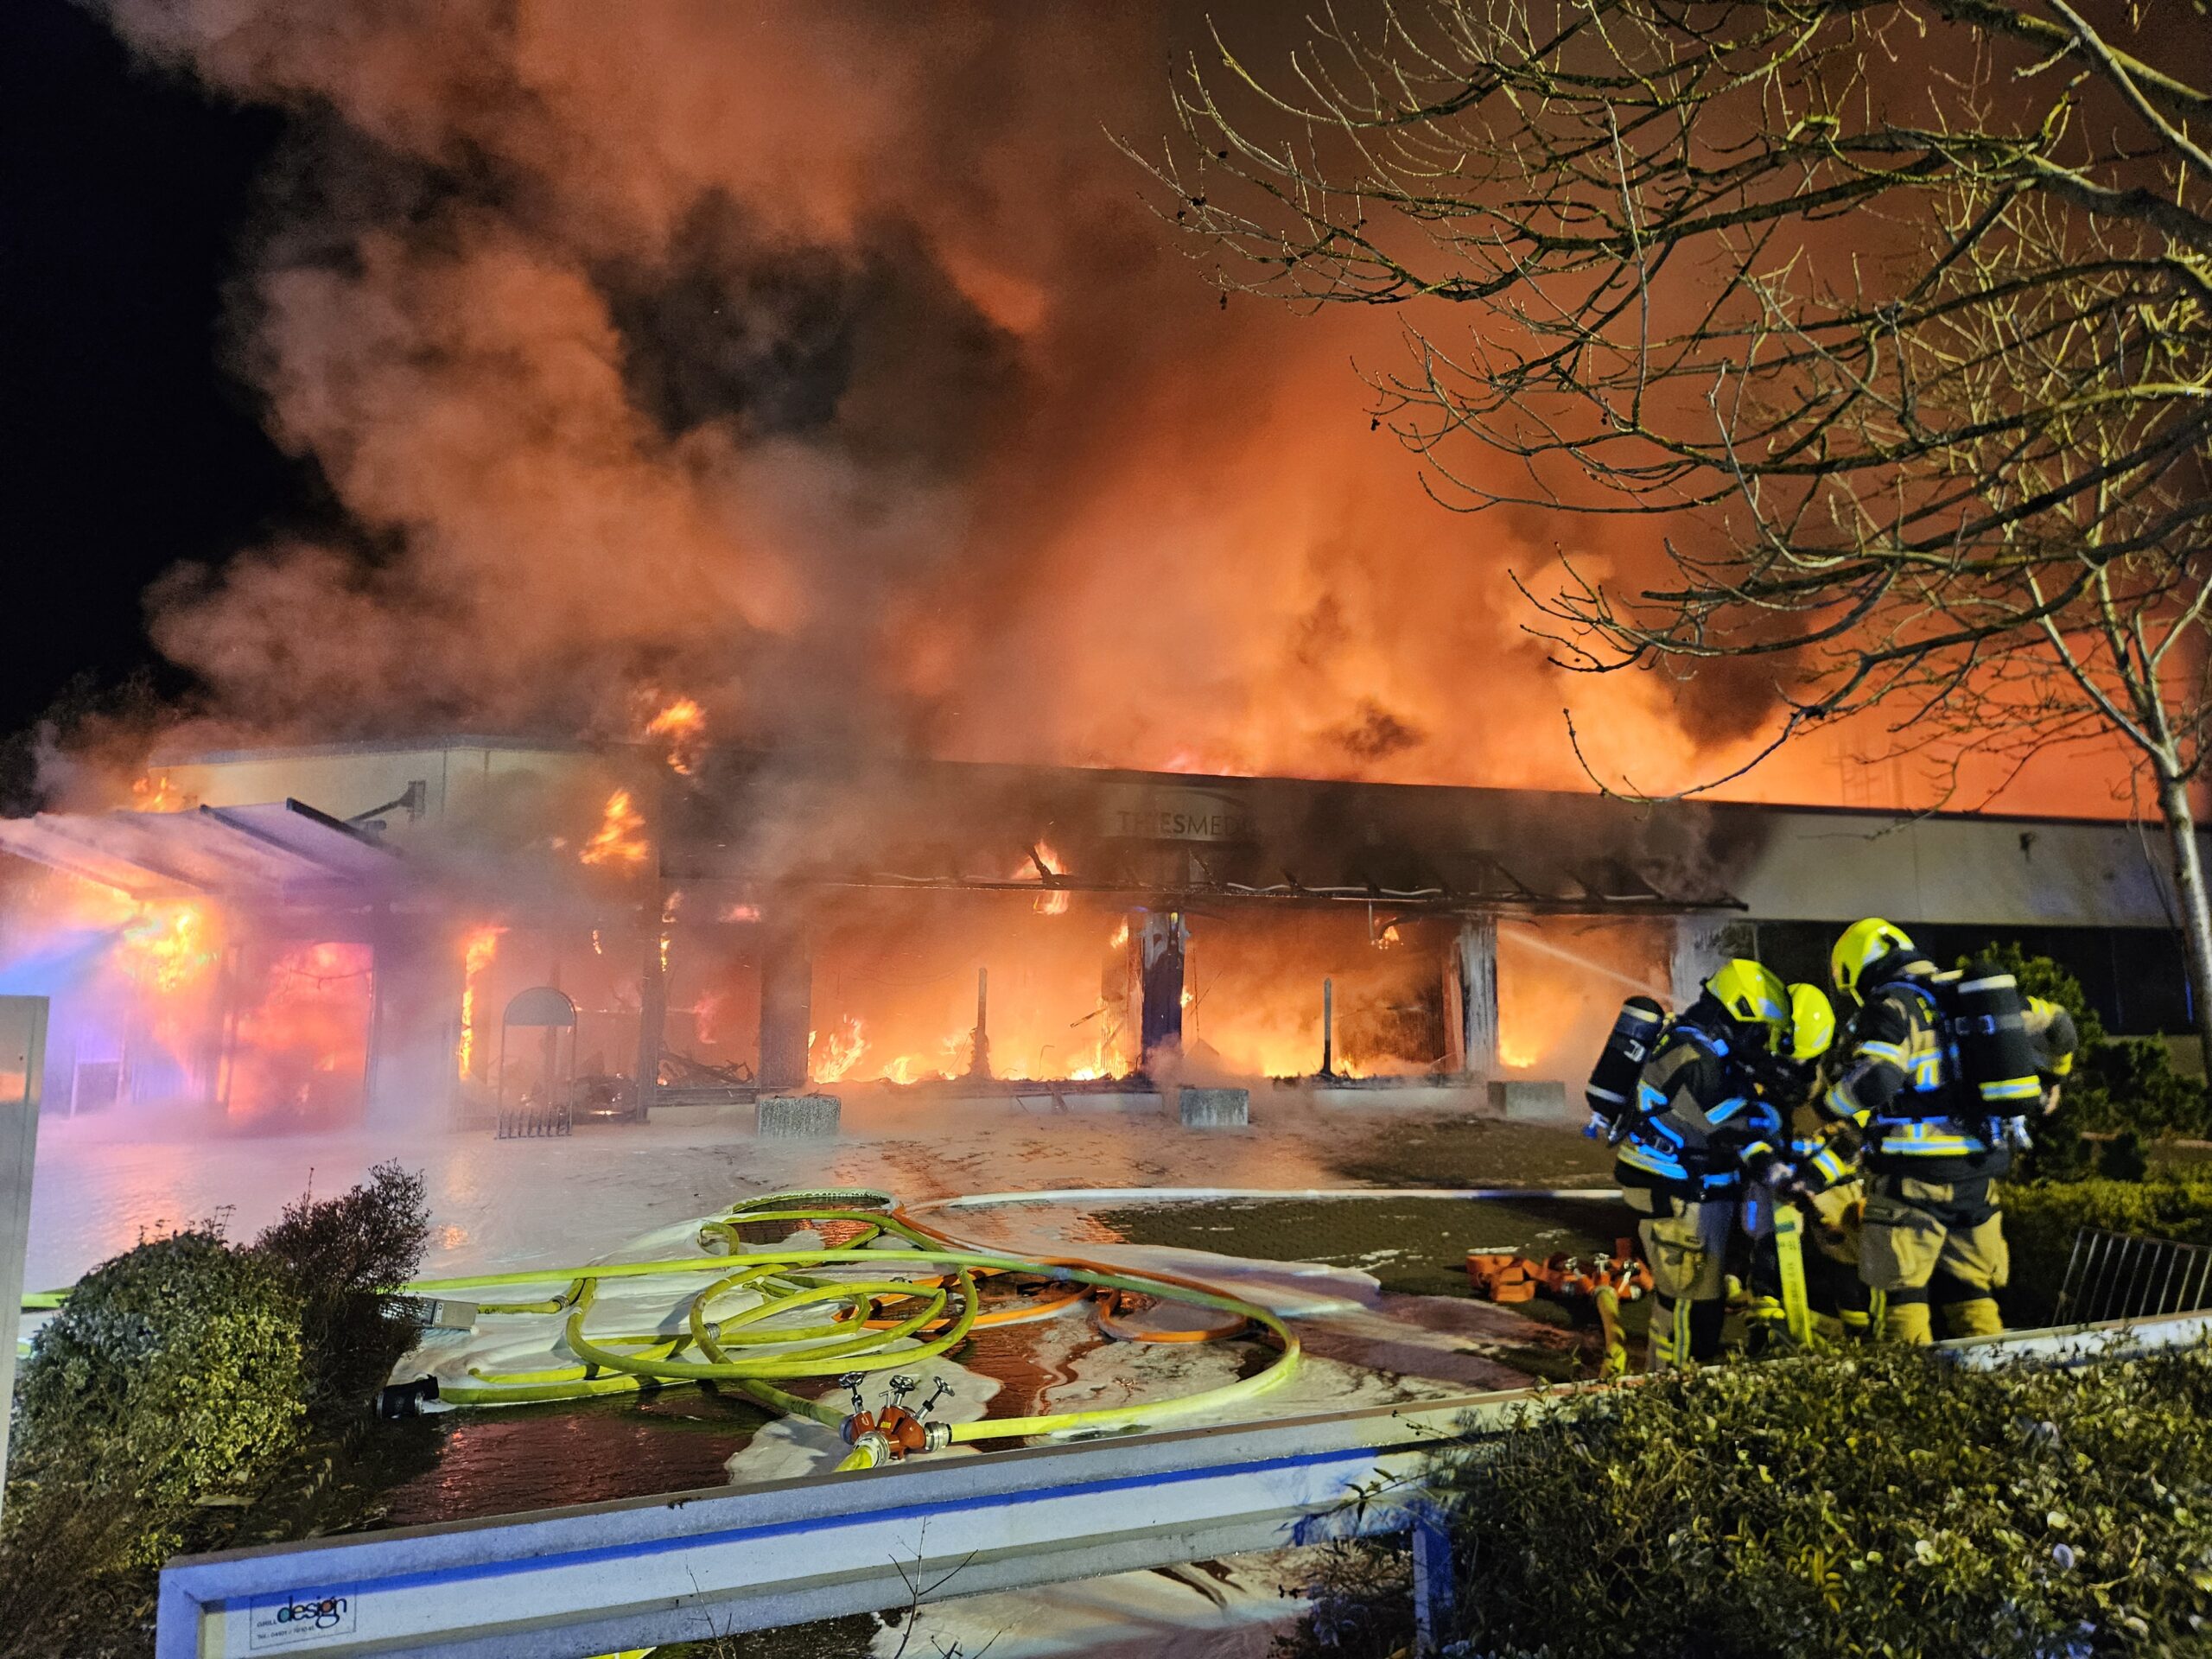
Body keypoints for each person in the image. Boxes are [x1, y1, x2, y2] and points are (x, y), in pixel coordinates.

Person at [1820, 919, 2030, 1343]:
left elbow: (1878, 1078)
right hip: (1977, 1177)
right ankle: (1989, 1379)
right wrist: (2055, 1081)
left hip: (1911, 1181)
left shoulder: (1892, 1005)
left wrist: (1830, 1105)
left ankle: (1907, 1385)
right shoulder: (1970, 997)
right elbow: (2060, 1030)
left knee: (1901, 1299)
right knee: (1972, 1293)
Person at [1611, 957, 1791, 1370]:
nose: (1762, 1041)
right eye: (1761, 1030)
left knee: (1700, 1304)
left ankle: (1684, 1385)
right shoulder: (1694, 1057)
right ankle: (1667, 1394)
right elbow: (1732, 1127)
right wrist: (1777, 1159)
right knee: (1686, 1310)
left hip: (1692, 1192)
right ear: (1741, 1014)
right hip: (1679, 1196)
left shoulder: (1704, 1048)